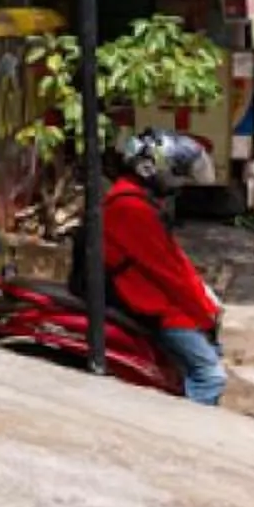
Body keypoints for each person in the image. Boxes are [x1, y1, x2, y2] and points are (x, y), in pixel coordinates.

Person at [103, 131, 225, 406]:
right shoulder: (131, 208)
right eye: (175, 174)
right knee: (210, 376)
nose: (178, 184)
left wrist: (205, 298)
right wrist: (203, 312)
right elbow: (169, 273)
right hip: (149, 304)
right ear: (149, 169)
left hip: (146, 295)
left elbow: (174, 261)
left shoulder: (133, 200)